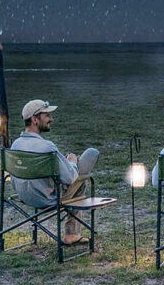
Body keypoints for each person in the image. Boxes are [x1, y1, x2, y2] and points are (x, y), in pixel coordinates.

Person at [9, 99, 100, 243]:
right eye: (47, 116)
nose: (51, 119)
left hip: (25, 196)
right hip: (48, 200)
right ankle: (71, 234)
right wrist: (72, 162)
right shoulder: (47, 147)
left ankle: (72, 234)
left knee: (71, 174)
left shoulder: (15, 145)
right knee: (87, 163)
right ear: (34, 119)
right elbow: (70, 178)